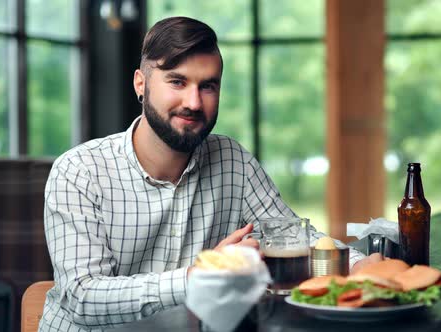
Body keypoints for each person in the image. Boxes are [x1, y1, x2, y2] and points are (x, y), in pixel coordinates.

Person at [39, 16, 379, 331]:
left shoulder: (233, 160)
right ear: (140, 84)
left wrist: (361, 266)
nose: (194, 103)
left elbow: (294, 236)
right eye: (177, 81)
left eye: (208, 86)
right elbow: (82, 297)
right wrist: (199, 275)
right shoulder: (79, 171)